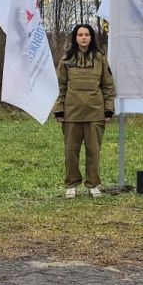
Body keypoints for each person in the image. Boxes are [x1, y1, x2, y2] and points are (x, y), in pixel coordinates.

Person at [53, 24, 116, 198]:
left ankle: (93, 184)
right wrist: (59, 109)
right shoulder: (66, 58)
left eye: (87, 34)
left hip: (95, 112)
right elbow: (60, 86)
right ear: (75, 37)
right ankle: (71, 184)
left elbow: (108, 85)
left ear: (91, 37)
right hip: (71, 112)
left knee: (93, 151)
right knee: (71, 151)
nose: (83, 37)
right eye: (80, 34)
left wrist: (108, 109)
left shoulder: (100, 58)